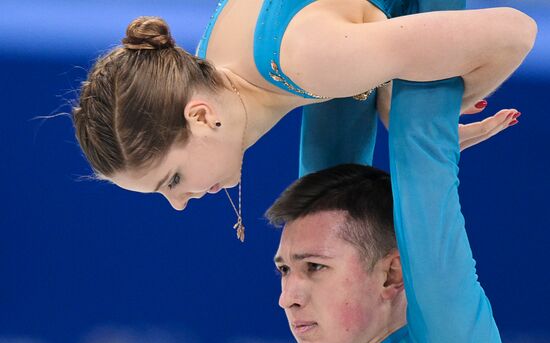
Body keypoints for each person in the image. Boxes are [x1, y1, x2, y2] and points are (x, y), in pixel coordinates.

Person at [72, 0, 536, 240]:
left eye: (171, 179)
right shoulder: (207, 64)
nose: (179, 203)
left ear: (200, 116)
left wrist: (425, 115)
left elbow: (514, 32)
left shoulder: (310, 59)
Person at [265, 75, 509, 343]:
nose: (287, 299)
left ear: (391, 274)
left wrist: (429, 131)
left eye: (315, 266)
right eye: (284, 270)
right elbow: (340, 92)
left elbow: (422, 159)